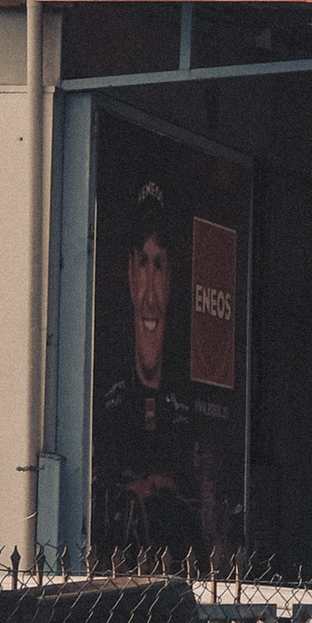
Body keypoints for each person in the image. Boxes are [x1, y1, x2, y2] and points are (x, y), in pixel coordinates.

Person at [94, 175, 207, 561]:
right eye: (143, 264)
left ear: (171, 278)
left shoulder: (185, 391)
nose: (150, 294)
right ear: (129, 273)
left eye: (159, 266)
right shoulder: (105, 383)